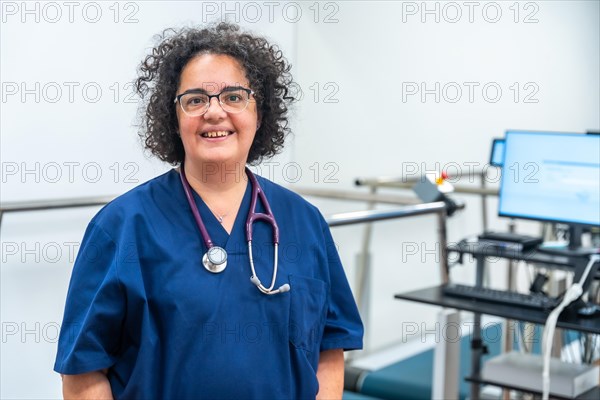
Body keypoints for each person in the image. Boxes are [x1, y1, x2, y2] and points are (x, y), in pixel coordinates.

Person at [54, 22, 363, 399]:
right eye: (195, 99)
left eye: (234, 96)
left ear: (260, 112)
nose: (214, 112)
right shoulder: (122, 227)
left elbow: (329, 347)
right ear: (175, 117)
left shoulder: (304, 221)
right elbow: (83, 372)